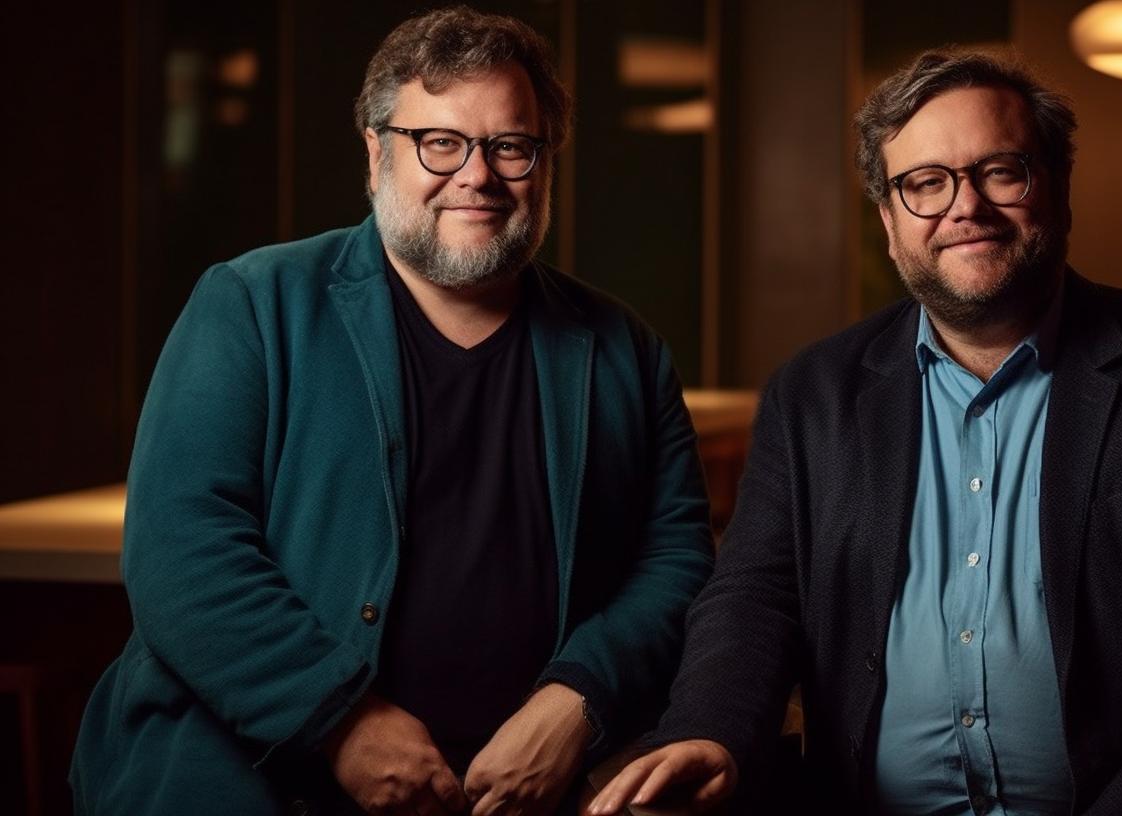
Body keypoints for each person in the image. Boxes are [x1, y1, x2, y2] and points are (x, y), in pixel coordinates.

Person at [590, 48, 1122, 815]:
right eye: (926, 183)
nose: (964, 206)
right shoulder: (811, 394)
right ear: (889, 221)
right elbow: (755, 595)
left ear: (1059, 189)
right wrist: (710, 731)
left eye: (1000, 171)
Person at [70, 8, 713, 815]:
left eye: (510, 145)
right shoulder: (252, 304)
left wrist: (578, 700)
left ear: (545, 162)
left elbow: (677, 564)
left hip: (519, 787)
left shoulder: (626, 349)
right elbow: (181, 550)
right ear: (376, 153)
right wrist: (341, 720)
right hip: (255, 766)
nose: (477, 174)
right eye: (439, 142)